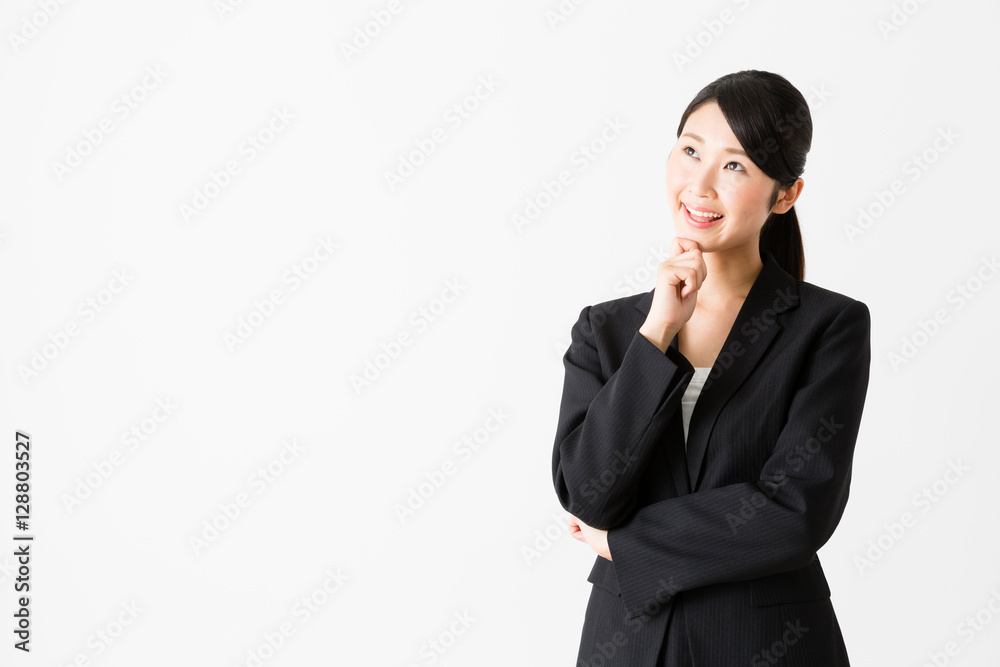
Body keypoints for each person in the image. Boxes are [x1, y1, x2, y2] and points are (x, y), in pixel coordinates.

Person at [551, 70, 870, 666]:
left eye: (735, 166)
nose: (699, 185)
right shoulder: (608, 330)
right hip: (627, 642)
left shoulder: (828, 327)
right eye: (691, 151)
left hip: (766, 643)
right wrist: (658, 333)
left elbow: (796, 512)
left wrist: (628, 543)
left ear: (785, 195)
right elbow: (588, 494)